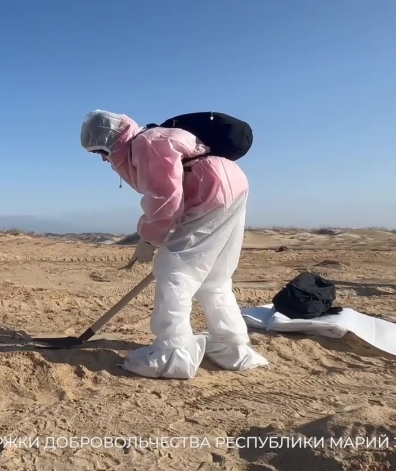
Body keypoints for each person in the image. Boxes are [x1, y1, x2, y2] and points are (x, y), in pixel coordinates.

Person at [79, 110, 268, 380]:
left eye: (101, 151)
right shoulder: (153, 138)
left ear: (111, 140)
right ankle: (231, 347)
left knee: (175, 273)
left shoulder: (146, 143)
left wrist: (148, 238)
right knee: (214, 278)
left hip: (209, 188)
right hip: (231, 184)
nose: (103, 158)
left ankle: (173, 353)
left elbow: (165, 197)